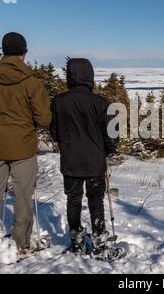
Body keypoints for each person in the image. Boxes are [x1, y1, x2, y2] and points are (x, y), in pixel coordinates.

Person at [0, 32, 52, 253]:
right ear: (23, 54)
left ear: (3, 51)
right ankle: (22, 242)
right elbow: (44, 118)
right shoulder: (31, 82)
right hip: (23, 147)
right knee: (23, 195)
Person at [50, 58, 117, 254]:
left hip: (70, 161)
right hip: (95, 161)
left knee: (73, 200)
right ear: (90, 76)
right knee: (95, 200)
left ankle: (77, 241)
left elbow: (54, 133)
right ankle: (99, 241)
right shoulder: (102, 103)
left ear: (70, 76)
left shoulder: (58, 102)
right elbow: (112, 135)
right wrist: (108, 150)